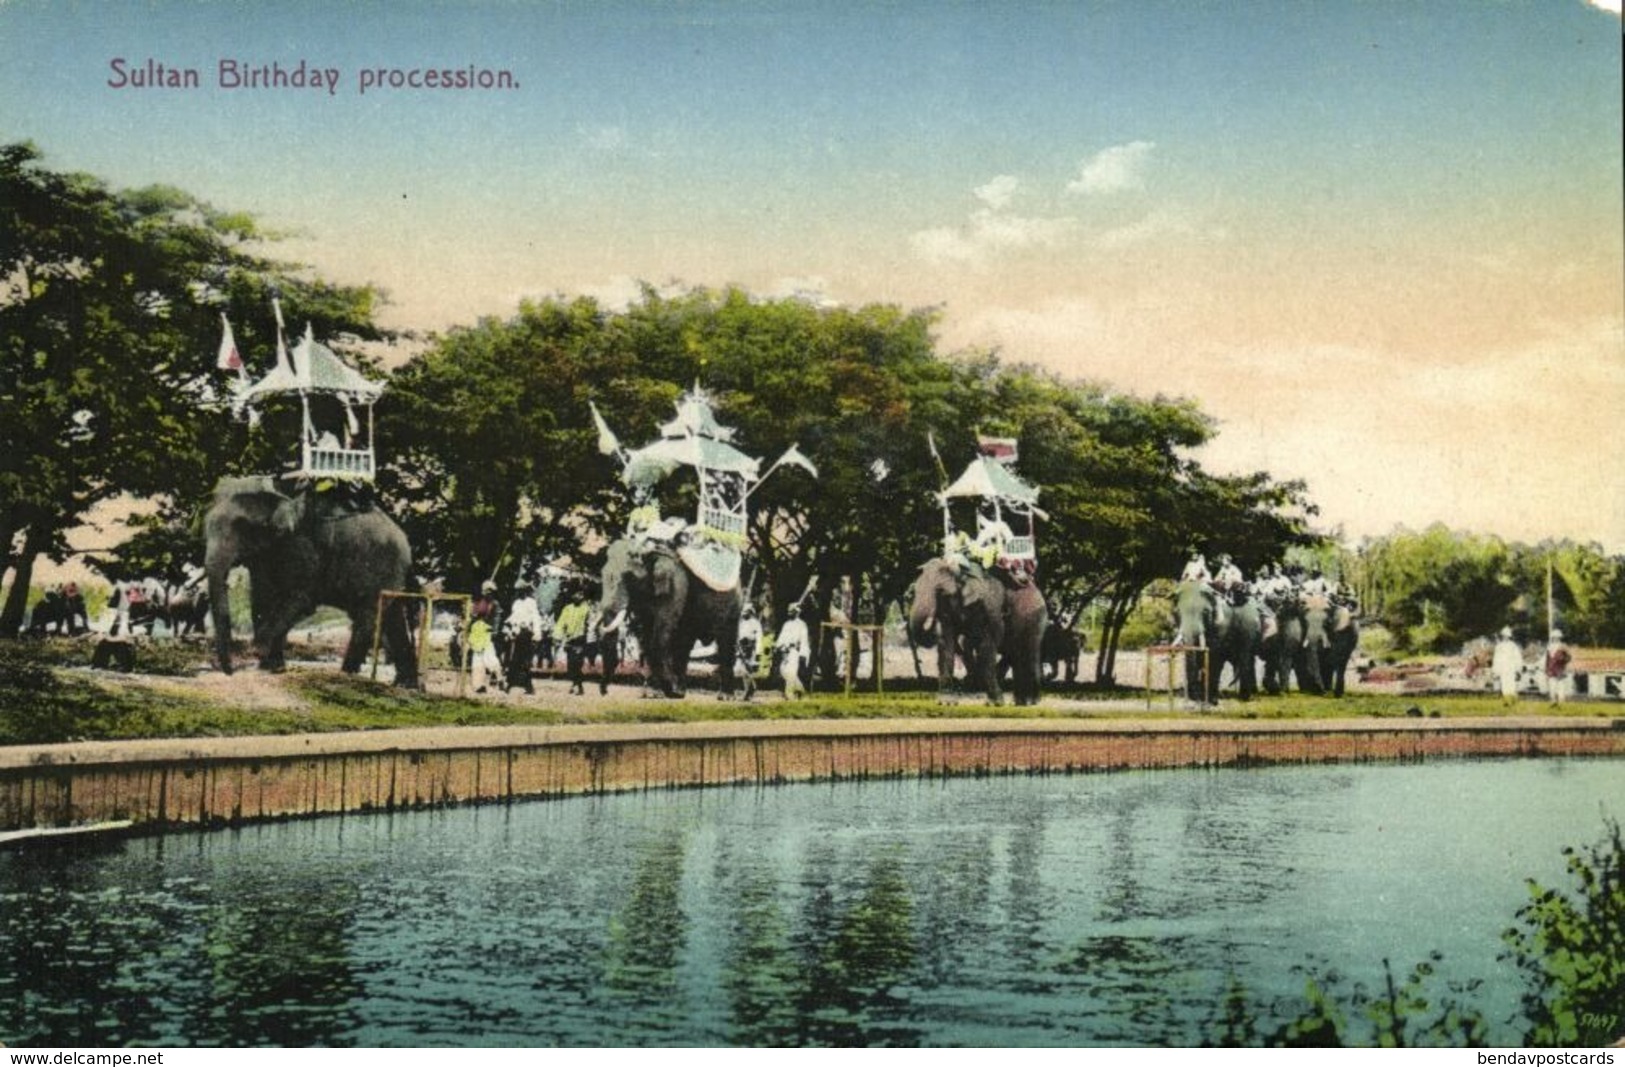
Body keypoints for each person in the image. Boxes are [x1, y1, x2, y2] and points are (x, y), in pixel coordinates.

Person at [504, 582, 541, 695]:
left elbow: (535, 618)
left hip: (526, 633)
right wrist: (508, 629)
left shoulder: (531, 602)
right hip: (516, 633)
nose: (520, 592)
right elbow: (513, 617)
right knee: (514, 660)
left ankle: (528, 685)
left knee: (525, 661)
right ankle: (510, 684)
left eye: (522, 590)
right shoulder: (516, 603)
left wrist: (536, 633)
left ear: (526, 590)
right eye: (518, 591)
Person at [553, 586, 592, 696]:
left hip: (580, 640)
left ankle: (579, 687)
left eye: (580, 594)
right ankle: (575, 683)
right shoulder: (567, 609)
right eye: (576, 594)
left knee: (577, 663)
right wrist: (557, 637)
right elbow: (561, 623)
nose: (578, 596)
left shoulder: (586, 609)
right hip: (570, 640)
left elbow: (590, 624)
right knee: (571, 665)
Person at [775, 604, 811, 699]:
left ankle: (789, 694)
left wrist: (803, 654)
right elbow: (781, 638)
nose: (791, 614)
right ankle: (801, 690)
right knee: (783, 670)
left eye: (793, 612)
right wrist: (779, 646)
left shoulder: (802, 625)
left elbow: (804, 640)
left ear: (797, 612)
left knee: (791, 672)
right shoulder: (786, 624)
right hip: (785, 651)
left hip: (794, 651)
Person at [736, 604, 763, 701]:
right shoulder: (742, 623)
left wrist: (758, 653)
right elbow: (738, 636)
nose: (744, 615)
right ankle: (751, 688)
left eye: (746, 612)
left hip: (750, 648)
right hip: (742, 648)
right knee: (741, 670)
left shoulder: (755, 623)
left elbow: (759, 638)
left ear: (751, 613)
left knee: (747, 670)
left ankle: (748, 692)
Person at [1491, 626, 1523, 706]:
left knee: (1511, 684)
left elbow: (1517, 657)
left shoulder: (1513, 646)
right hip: (1503, 668)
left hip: (1511, 667)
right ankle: (1506, 701)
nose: (1505, 637)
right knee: (1504, 684)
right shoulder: (1499, 646)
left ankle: (1513, 700)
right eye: (1504, 636)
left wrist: (1518, 668)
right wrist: (1496, 670)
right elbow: (1496, 659)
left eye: (1507, 636)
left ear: (1509, 636)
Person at [467, 614, 498, 694]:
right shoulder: (486, 626)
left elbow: (471, 638)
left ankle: (479, 685)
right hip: (484, 647)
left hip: (479, 648)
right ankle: (493, 676)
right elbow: (488, 637)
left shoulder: (474, 626)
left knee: (478, 667)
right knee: (488, 663)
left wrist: (474, 646)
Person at [1544, 630, 1572, 707]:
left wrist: (1563, 660)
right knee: (1552, 687)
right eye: (1554, 638)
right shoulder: (1549, 647)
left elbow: (1569, 657)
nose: (1555, 639)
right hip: (1551, 669)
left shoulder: (1563, 647)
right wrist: (1546, 670)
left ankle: (1561, 702)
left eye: (1557, 638)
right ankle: (1553, 702)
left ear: (1560, 638)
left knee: (1561, 687)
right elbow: (1547, 660)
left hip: (1560, 669)